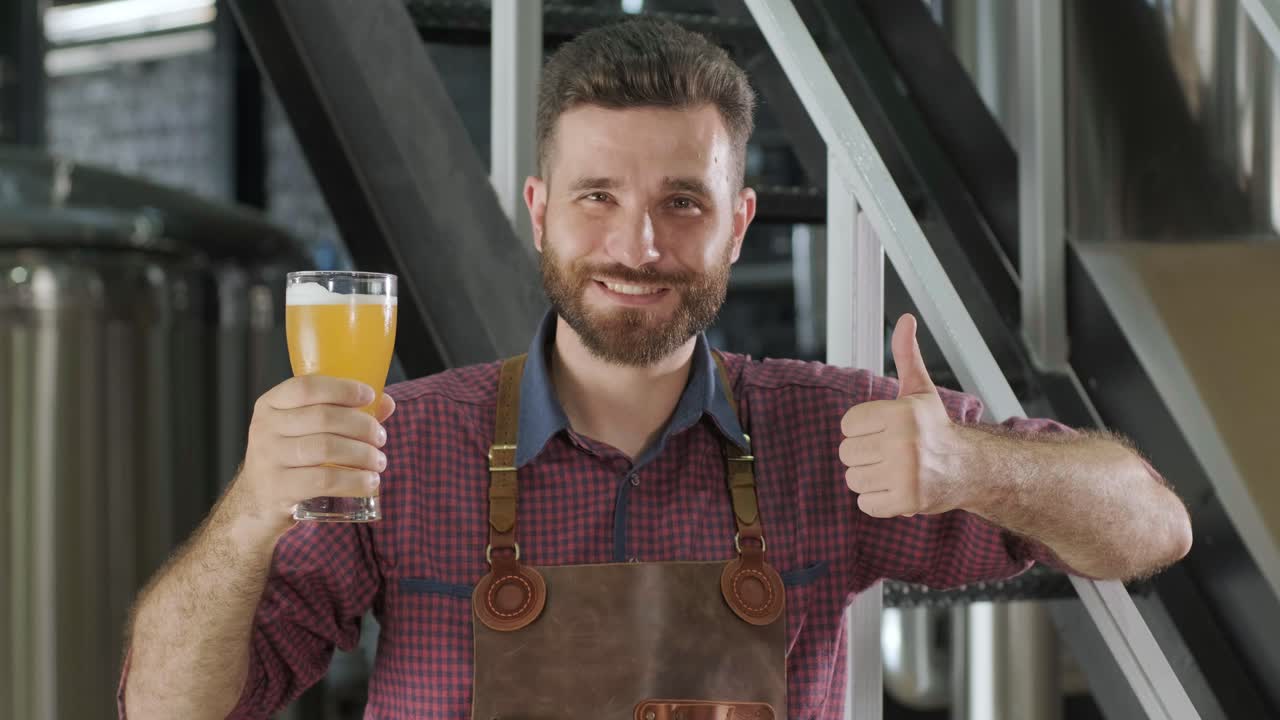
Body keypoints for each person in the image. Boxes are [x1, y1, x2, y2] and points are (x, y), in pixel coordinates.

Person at [119, 18, 1192, 720]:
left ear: (736, 224)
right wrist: (252, 513)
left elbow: (1154, 529)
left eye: (682, 202)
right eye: (597, 198)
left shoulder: (834, 434)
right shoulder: (404, 447)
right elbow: (164, 711)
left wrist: (970, 469)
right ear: (539, 212)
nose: (636, 245)